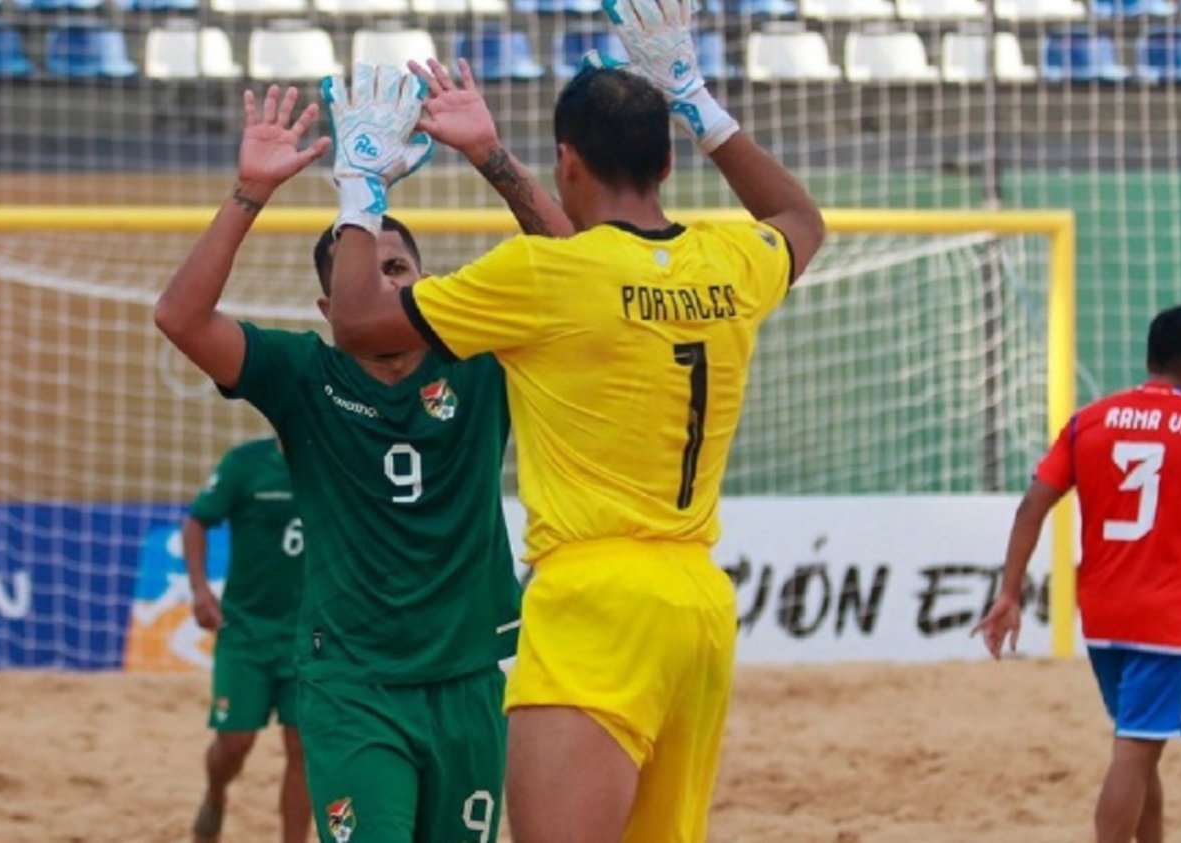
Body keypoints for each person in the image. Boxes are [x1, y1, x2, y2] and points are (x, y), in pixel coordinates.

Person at [315, 1, 827, 838]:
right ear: (667, 158)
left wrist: (360, 181)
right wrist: (693, 95)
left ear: (567, 162)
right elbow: (801, 220)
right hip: (696, 602)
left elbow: (359, 321)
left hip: (594, 600)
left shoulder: (541, 279)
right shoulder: (731, 261)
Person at [154, 80, 567, 843]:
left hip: (469, 676)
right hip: (351, 686)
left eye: (399, 269)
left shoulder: (482, 361)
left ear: (425, 282)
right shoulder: (303, 375)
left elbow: (582, 273)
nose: (386, 283)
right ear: (330, 308)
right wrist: (250, 192)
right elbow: (179, 317)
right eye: (366, 271)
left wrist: (489, 154)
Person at [973, 305, 1181, 843]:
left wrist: (1009, 592)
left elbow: (1031, 506)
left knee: (1141, 747)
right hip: (1165, 616)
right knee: (1132, 755)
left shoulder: (1090, 421)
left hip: (1102, 614)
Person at [183, 437, 308, 843]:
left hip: (310, 635)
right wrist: (201, 590)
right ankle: (216, 792)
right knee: (235, 743)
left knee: (302, 748)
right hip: (246, 631)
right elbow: (196, 521)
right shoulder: (245, 463)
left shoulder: (335, 459)